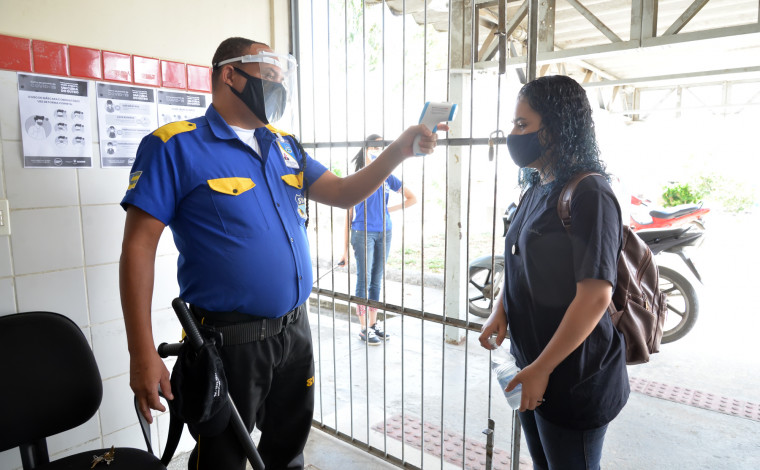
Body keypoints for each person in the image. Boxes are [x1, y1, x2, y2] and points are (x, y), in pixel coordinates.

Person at [120, 37, 447, 470]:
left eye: (281, 78)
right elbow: (138, 247)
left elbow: (343, 192)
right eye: (269, 76)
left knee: (288, 448)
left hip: (294, 332)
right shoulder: (175, 146)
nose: (278, 86)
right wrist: (141, 352)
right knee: (222, 457)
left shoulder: (284, 146)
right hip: (229, 342)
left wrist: (399, 150)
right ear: (229, 74)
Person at [477, 75, 628, 470]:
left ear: (556, 127)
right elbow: (521, 260)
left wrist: (542, 368)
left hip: (573, 376)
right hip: (531, 366)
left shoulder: (590, 193)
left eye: (522, 124)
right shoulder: (537, 186)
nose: (513, 135)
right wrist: (500, 309)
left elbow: (595, 295)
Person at [339, 134, 417, 345]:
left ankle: (373, 324)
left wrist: (388, 210)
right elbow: (348, 215)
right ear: (365, 149)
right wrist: (344, 251)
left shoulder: (387, 176)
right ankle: (364, 328)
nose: (377, 150)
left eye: (381, 147)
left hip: (385, 232)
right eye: (374, 146)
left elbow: (412, 198)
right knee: (363, 280)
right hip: (362, 233)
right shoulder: (357, 177)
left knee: (376, 279)